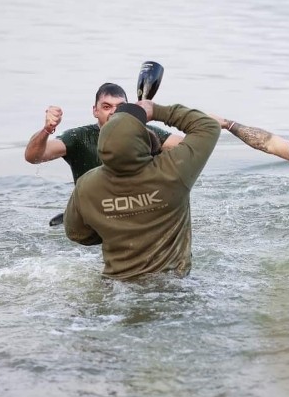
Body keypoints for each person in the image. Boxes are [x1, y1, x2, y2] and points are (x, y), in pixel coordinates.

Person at [63, 101, 219, 279]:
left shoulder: (86, 185)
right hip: (171, 286)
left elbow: (76, 233)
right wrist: (156, 110)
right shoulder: (173, 171)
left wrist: (113, 224)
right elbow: (208, 126)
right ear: (143, 143)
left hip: (116, 286)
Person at [24, 82, 184, 226]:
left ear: (129, 109)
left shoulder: (147, 134)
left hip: (135, 214)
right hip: (93, 218)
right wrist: (47, 129)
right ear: (95, 111)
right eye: (107, 107)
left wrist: (157, 113)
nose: (114, 113)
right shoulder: (79, 138)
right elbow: (33, 156)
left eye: (120, 107)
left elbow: (190, 147)